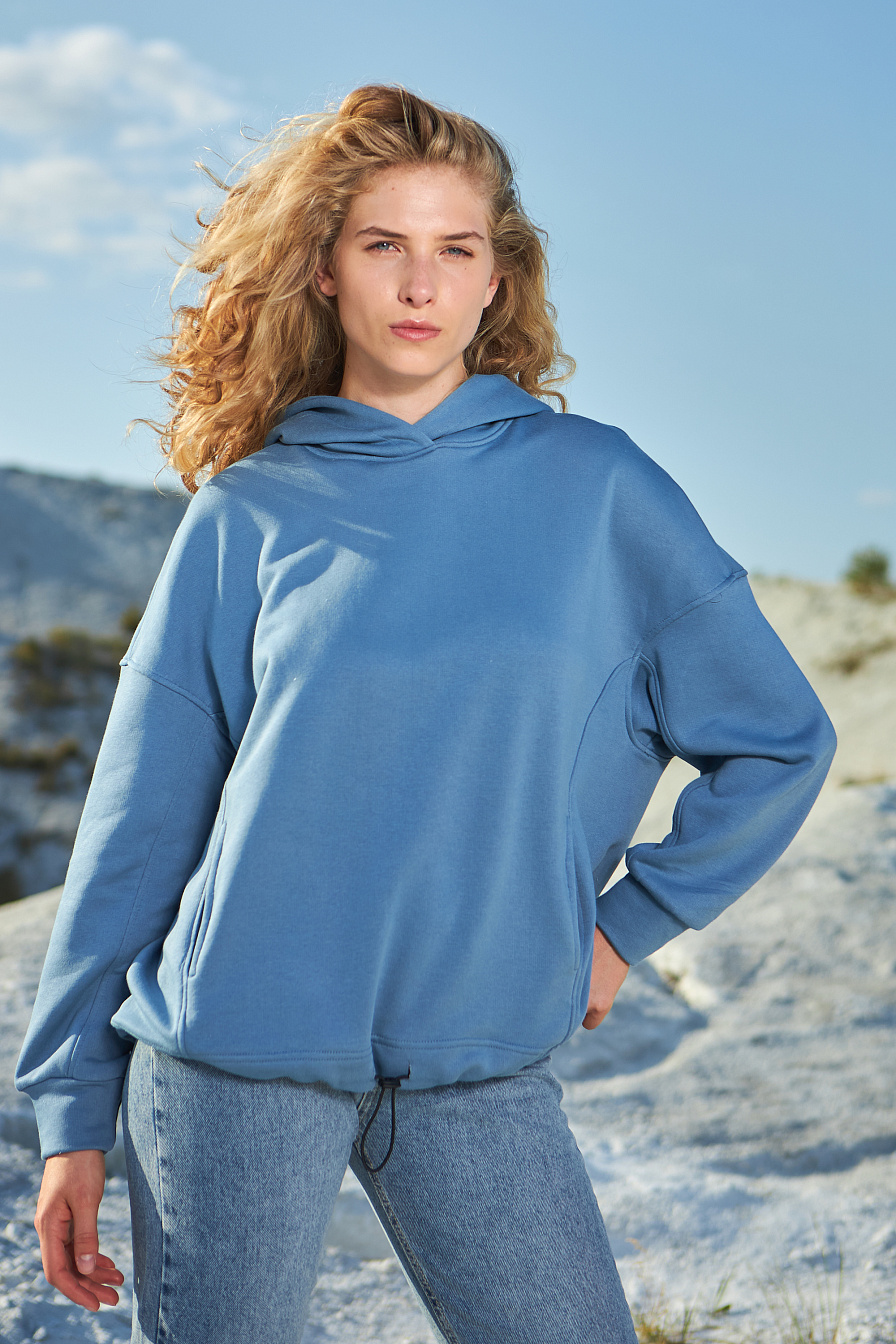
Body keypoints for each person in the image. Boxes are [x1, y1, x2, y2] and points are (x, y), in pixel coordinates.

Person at [15, 83, 836, 1344]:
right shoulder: (248, 514)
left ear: (496, 279)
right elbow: (138, 828)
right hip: (227, 1063)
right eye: (382, 245)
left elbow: (778, 740)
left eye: (454, 249)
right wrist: (70, 1114)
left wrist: (624, 928)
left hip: (479, 1066)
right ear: (323, 269)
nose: (419, 284)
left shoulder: (598, 492)